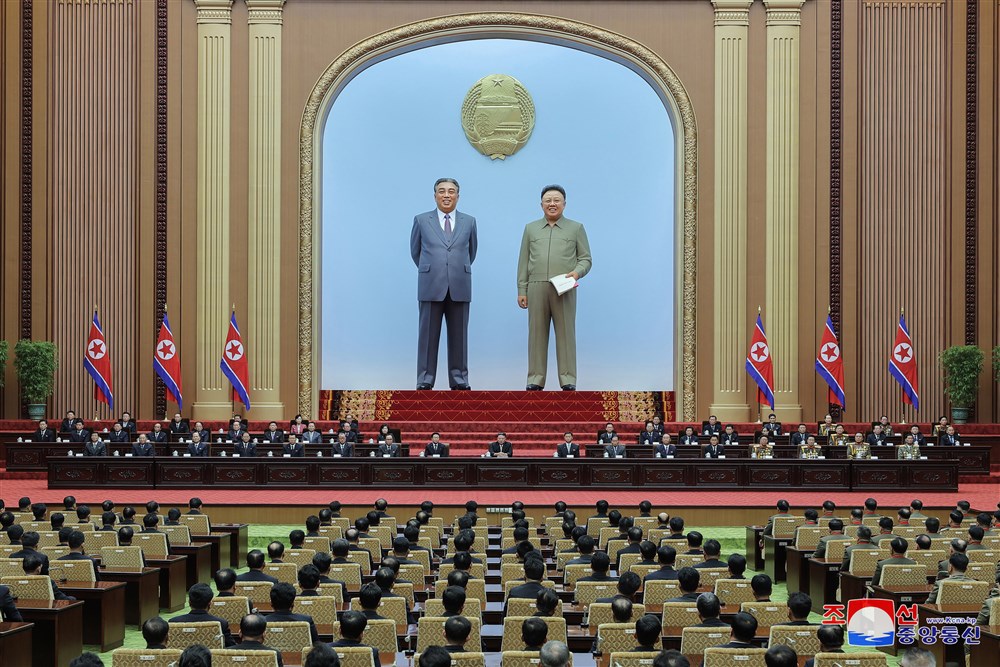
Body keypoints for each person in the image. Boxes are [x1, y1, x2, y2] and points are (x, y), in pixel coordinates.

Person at [517, 184, 592, 391]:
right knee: (536, 335)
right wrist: (522, 290)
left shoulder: (576, 228)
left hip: (564, 287)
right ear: (541, 204)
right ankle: (535, 378)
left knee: (566, 333)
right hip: (536, 286)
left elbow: (585, 259)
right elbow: (523, 261)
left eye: (556, 200)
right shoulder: (530, 228)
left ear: (564, 204)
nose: (552, 204)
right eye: (548, 200)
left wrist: (576, 273)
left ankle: (568, 379)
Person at [410, 177, 477, 390]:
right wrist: (434, 269)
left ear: (458, 195)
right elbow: (416, 252)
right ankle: (425, 379)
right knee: (427, 336)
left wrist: (454, 269)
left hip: (460, 284)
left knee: (460, 337)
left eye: (451, 191)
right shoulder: (421, 220)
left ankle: (459, 380)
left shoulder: (469, 221)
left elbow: (471, 251)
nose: (446, 195)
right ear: (435, 195)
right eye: (442, 191)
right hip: (431, 285)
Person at [170, 583, 235, 645]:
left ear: (189, 602)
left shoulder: (173, 623)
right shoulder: (221, 623)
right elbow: (231, 647)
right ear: (210, 603)